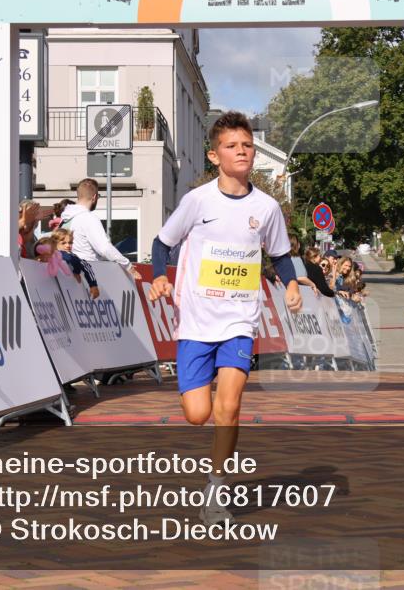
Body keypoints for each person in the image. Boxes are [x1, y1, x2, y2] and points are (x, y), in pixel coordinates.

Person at [147, 111, 302, 526]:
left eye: (247, 145)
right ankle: (206, 407)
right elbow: (162, 244)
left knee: (228, 408)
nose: (242, 152)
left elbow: (280, 254)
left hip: (240, 319)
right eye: (232, 146)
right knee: (198, 414)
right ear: (215, 156)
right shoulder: (198, 201)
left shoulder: (266, 207)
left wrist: (289, 284)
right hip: (197, 320)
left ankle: (216, 489)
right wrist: (160, 276)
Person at [60, 178, 141, 280]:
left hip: (67, 274)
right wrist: (128, 266)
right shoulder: (88, 218)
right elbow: (104, 248)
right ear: (94, 197)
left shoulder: (64, 219)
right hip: (87, 276)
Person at [52, 228, 100, 299]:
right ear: (54, 244)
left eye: (70, 242)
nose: (68, 245)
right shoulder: (48, 254)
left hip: (67, 294)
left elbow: (86, 266)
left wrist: (93, 285)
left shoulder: (72, 256)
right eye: (63, 243)